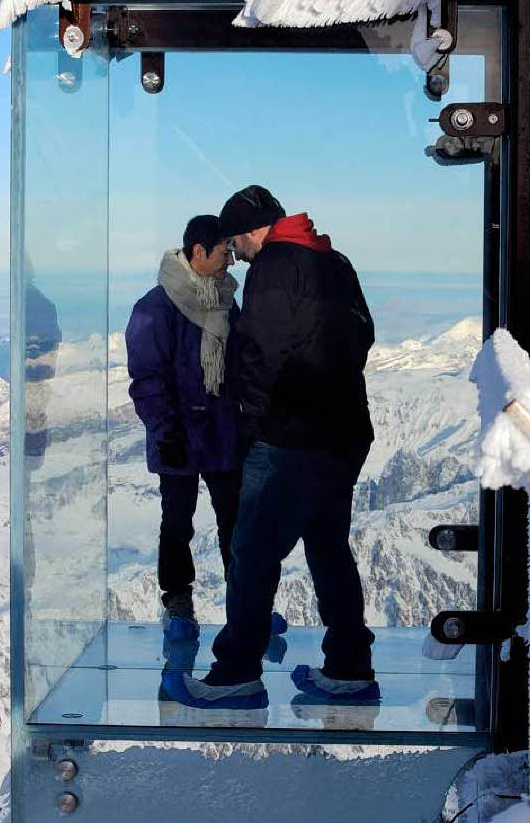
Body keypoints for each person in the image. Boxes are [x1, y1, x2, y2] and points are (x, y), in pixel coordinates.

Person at [161, 185, 379, 710]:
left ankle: (236, 673)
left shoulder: (275, 267)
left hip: (291, 437)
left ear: (253, 231)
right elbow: (363, 335)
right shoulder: (335, 260)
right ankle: (350, 667)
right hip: (344, 431)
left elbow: (259, 354)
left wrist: (255, 425)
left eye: (237, 244)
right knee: (328, 547)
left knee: (253, 552)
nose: (237, 255)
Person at [125, 216, 242, 639]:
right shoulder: (156, 308)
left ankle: (245, 603)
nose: (231, 259)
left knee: (235, 520)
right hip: (178, 435)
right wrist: (165, 432)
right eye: (223, 251)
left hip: (223, 432)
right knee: (177, 521)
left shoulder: (225, 300)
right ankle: (177, 601)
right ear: (198, 251)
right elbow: (147, 378)